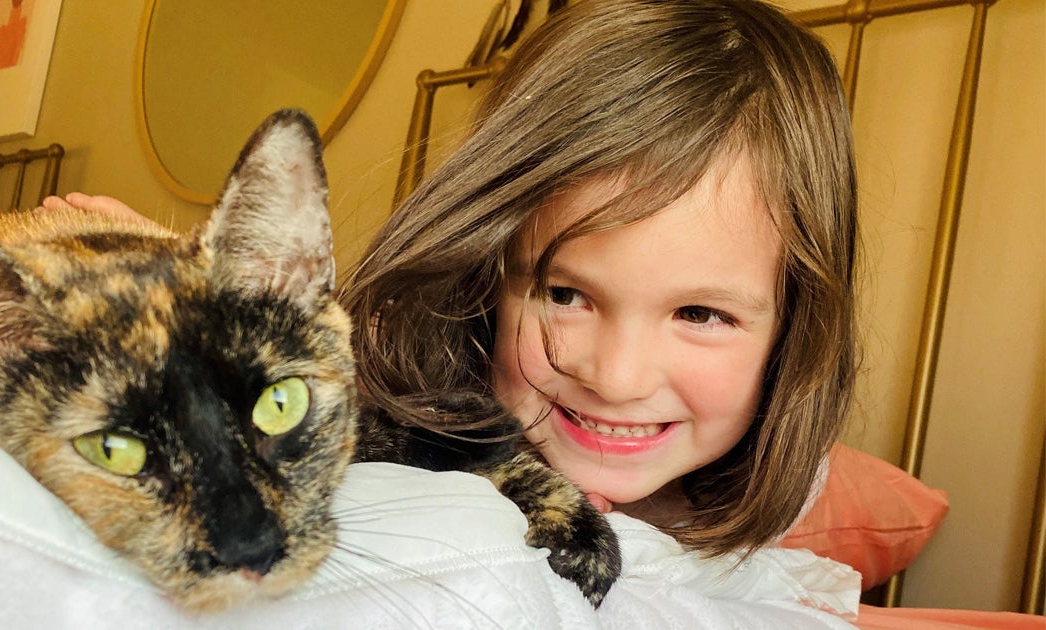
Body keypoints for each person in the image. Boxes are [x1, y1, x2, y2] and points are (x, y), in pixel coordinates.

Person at [48, 0, 857, 563]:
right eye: (565, 295)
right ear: (486, 278)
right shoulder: (388, 406)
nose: (616, 378)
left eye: (701, 314)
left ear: (793, 326)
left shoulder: (772, 513)